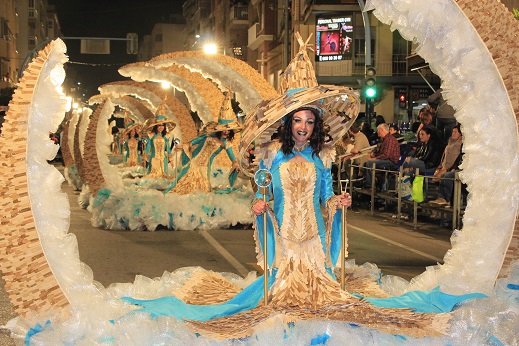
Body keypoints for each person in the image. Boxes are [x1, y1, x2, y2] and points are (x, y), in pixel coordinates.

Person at [163, 91, 241, 194]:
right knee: (182, 183)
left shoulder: (227, 144)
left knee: (203, 190)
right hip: (194, 161)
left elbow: (232, 157)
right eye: (224, 129)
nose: (226, 131)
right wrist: (182, 147)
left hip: (205, 167)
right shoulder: (209, 135)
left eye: (228, 130)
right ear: (219, 129)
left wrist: (236, 165)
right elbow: (193, 142)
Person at [429, 124, 463, 206]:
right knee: (438, 176)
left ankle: (445, 199)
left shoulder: (460, 145)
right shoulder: (450, 143)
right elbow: (444, 157)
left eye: (455, 132)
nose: (453, 134)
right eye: (453, 132)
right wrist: (440, 167)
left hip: (453, 168)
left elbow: (456, 158)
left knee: (446, 175)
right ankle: (441, 198)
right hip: (446, 167)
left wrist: (450, 168)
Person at [362, 123, 400, 188]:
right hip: (385, 159)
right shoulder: (383, 139)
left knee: (369, 163)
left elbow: (386, 155)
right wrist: (372, 153)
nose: (377, 132)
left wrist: (375, 158)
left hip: (391, 161)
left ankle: (370, 185)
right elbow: (377, 149)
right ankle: (369, 180)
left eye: (378, 130)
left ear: (382, 130)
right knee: (365, 159)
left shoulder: (390, 139)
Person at [144, 110, 176, 179]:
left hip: (163, 159)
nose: (161, 127)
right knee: (153, 177)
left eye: (162, 125)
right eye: (159, 125)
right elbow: (148, 147)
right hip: (154, 158)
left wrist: (171, 160)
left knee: (163, 176)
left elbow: (168, 149)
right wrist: (145, 156)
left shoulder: (166, 136)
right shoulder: (151, 135)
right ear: (156, 126)